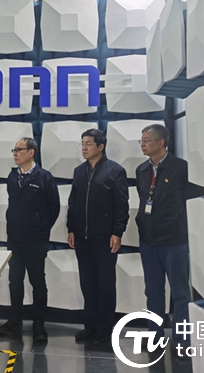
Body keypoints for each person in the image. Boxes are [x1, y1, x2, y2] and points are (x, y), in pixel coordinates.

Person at [135, 124, 199, 357]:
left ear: (161, 142)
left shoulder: (181, 168)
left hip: (174, 240)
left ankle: (182, 340)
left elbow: (192, 201)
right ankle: (155, 336)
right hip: (148, 241)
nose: (143, 144)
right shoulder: (142, 170)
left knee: (180, 293)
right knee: (153, 292)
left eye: (147, 140)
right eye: (141, 140)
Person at [67, 128, 129, 346]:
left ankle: (104, 328)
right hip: (82, 238)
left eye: (89, 144)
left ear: (101, 146)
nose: (84, 147)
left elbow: (122, 205)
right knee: (88, 284)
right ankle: (90, 326)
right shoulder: (78, 171)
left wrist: (117, 232)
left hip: (105, 238)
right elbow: (73, 203)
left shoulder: (115, 171)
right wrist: (71, 229)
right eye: (82, 143)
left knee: (105, 284)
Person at [0, 137, 60, 342]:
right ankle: (15, 318)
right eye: (14, 150)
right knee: (15, 280)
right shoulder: (12, 176)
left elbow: (54, 208)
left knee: (37, 281)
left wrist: (41, 228)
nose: (15, 153)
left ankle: (39, 322)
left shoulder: (44, 177)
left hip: (35, 240)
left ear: (31, 152)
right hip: (14, 238)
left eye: (19, 149)